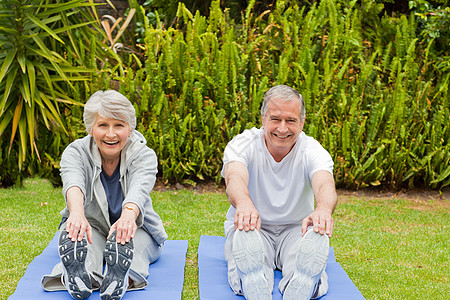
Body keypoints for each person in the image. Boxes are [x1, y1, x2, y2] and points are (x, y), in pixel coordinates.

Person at [41, 90, 167, 300]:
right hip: (92, 225)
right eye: (103, 125)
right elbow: (73, 183)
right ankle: (80, 277)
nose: (111, 134)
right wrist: (77, 213)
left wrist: (127, 218)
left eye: (119, 125)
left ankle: (120, 279)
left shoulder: (144, 155)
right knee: (85, 247)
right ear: (91, 128)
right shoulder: (75, 152)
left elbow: (139, 188)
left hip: (137, 227)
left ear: (130, 128)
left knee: (133, 249)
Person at [222, 85, 337, 300]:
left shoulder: (312, 149)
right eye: (276, 119)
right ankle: (254, 283)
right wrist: (244, 203)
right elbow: (234, 177)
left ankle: (302, 284)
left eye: (291, 121)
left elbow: (324, 183)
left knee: (303, 263)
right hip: (253, 226)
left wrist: (322, 209)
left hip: (296, 228)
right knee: (247, 253)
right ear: (264, 119)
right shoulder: (242, 143)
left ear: (302, 122)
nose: (282, 129)